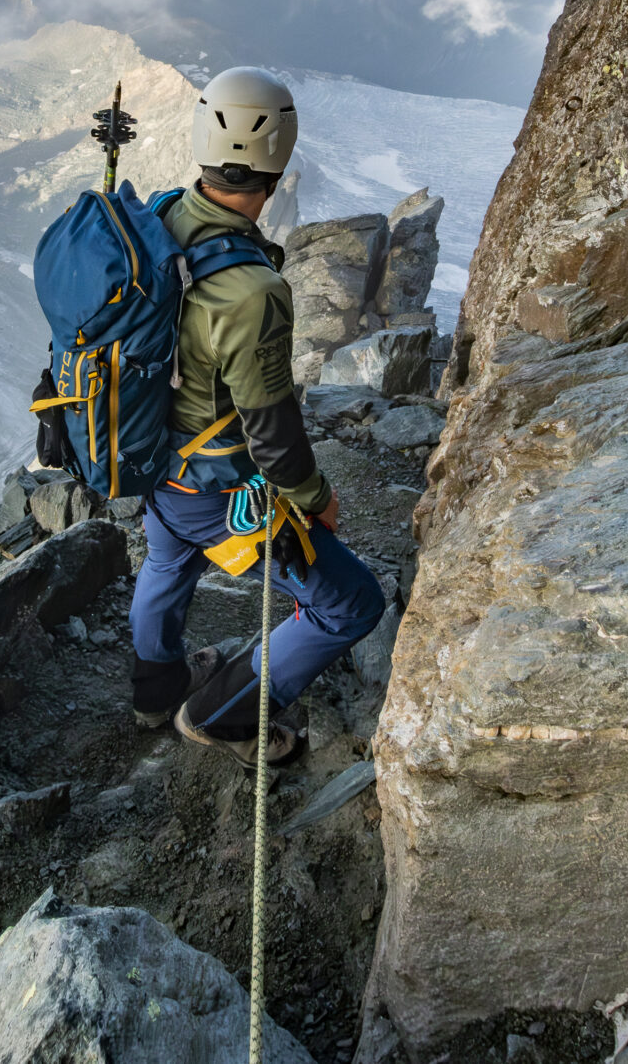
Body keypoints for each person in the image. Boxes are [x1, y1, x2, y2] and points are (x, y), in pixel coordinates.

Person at [129, 67, 385, 767]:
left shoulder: (156, 219)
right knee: (354, 604)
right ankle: (223, 714)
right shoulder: (253, 290)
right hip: (212, 490)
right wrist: (318, 500)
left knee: (168, 557)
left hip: (151, 460)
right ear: (278, 164)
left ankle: (155, 689)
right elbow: (270, 428)